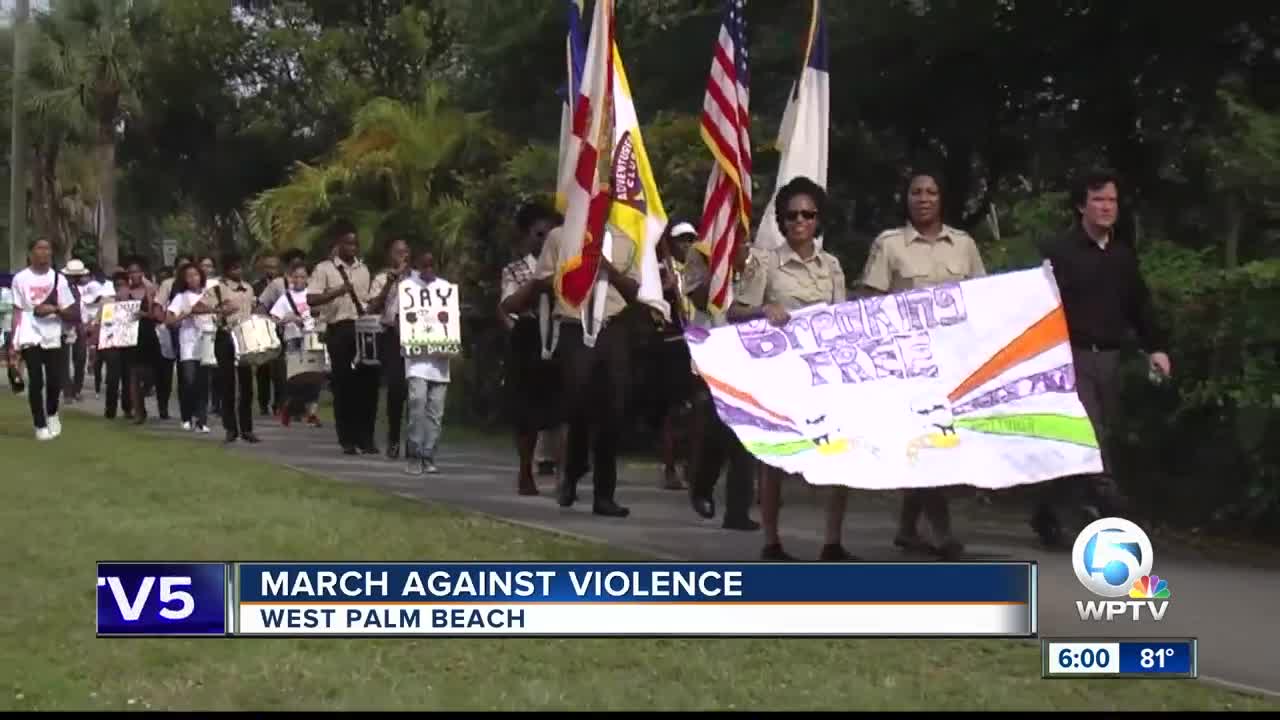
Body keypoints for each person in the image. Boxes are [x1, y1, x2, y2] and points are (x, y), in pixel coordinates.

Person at [1030, 168, 1172, 547]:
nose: (1107, 207)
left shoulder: (1124, 256)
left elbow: (1139, 306)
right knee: (1090, 440)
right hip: (1070, 358)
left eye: (1112, 200)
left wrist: (1155, 347)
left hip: (1110, 359)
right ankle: (1119, 521)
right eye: (1098, 200)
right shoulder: (1059, 252)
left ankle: (1047, 511)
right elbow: (1037, 306)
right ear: (1081, 206)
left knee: (1090, 440)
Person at [858, 169, 988, 560]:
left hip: (954, 362)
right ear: (907, 199)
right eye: (916, 192)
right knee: (931, 441)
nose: (924, 198)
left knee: (936, 442)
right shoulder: (890, 245)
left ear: (941, 199)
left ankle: (905, 527)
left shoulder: (963, 246)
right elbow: (869, 300)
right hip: (908, 364)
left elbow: (983, 297)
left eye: (931, 191)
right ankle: (942, 531)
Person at [735, 176, 857, 560]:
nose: (800, 221)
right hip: (782, 372)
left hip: (825, 372)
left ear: (818, 219)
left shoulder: (832, 265)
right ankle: (772, 541)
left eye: (807, 214)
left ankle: (832, 542)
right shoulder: (765, 263)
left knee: (839, 452)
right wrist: (762, 310)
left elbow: (843, 316)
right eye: (792, 215)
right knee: (775, 459)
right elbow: (734, 312)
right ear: (782, 221)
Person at [531, 208, 643, 518]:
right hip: (573, 324)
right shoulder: (560, 237)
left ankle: (604, 495)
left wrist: (608, 268)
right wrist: (575, 268)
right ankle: (572, 472)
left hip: (612, 328)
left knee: (613, 411)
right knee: (577, 404)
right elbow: (541, 281)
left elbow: (635, 291)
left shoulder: (625, 240)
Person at [680, 230, 761, 532]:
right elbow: (700, 298)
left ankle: (738, 511)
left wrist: (743, 264)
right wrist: (724, 265)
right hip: (712, 346)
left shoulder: (759, 254)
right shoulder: (700, 253)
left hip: (747, 350)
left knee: (745, 430)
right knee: (715, 428)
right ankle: (701, 486)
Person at [498, 202, 563, 495]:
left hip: (560, 336)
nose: (545, 240)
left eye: (550, 234)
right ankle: (526, 471)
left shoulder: (566, 266)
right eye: (539, 235)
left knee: (562, 411)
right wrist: (539, 283)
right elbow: (508, 305)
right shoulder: (515, 269)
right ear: (527, 236)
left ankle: (565, 475)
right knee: (526, 413)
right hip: (528, 337)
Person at [308, 218, 378, 455]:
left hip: (361, 329)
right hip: (338, 329)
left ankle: (365, 438)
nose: (352, 248)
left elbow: (367, 300)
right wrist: (338, 291)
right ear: (338, 244)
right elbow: (312, 299)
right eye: (348, 244)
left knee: (365, 385)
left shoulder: (363, 269)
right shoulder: (324, 269)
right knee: (344, 385)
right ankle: (346, 438)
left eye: (355, 244)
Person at [7, 237, 78, 439]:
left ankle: (53, 412)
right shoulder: (20, 279)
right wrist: (14, 342)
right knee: (36, 380)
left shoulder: (59, 279)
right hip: (30, 333)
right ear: (31, 253)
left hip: (53, 333)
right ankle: (40, 425)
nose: (44, 252)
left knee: (54, 379)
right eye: (40, 248)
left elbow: (69, 310)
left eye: (47, 248)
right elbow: (17, 311)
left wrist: (53, 308)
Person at [649, 221, 700, 491]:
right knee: (674, 411)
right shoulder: (662, 270)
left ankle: (694, 466)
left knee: (697, 409)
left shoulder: (700, 270)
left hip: (699, 342)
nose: (687, 245)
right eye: (682, 240)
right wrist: (665, 285)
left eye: (691, 239)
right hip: (673, 343)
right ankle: (669, 467)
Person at [399, 248, 454, 475]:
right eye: (424, 266)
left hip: (439, 364)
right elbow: (398, 318)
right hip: (416, 362)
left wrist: (451, 343)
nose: (429, 270)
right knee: (417, 405)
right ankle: (413, 454)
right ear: (417, 266)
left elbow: (451, 321)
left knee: (436, 412)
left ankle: (429, 454)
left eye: (432, 265)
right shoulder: (407, 288)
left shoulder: (445, 289)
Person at [204, 253, 260, 443]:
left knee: (246, 385)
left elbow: (252, 309)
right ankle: (230, 428)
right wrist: (221, 310)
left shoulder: (248, 288)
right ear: (227, 270)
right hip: (226, 334)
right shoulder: (217, 289)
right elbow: (210, 309)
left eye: (240, 267)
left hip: (245, 336)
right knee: (227, 383)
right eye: (234, 268)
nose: (238, 271)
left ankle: (247, 428)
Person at [367, 237, 413, 458]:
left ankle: (414, 441)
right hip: (391, 336)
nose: (401, 256)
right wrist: (390, 282)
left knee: (415, 390)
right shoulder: (380, 278)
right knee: (396, 389)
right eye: (397, 252)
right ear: (389, 255)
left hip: (415, 337)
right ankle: (394, 438)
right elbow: (373, 307)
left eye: (405, 252)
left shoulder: (417, 279)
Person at [269, 260, 323, 427]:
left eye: (303, 276)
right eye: (296, 276)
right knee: (296, 378)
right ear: (290, 278)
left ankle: (312, 412)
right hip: (294, 339)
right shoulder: (285, 298)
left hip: (313, 337)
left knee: (315, 377)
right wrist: (288, 318)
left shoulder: (313, 295)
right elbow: (274, 319)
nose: (299, 279)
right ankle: (290, 408)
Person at [165, 262, 213, 433]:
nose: (193, 279)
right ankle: (186, 416)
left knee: (203, 381)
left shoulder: (210, 295)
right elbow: (169, 320)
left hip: (206, 340)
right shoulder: (181, 298)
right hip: (188, 342)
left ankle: (202, 420)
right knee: (189, 380)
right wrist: (187, 314)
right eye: (189, 276)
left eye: (196, 275)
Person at [114, 256, 163, 424]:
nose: (134, 274)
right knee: (133, 374)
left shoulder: (151, 290)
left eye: (137, 271)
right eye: (131, 271)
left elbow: (157, 315)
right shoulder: (123, 292)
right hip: (130, 336)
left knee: (151, 373)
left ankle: (147, 395)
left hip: (147, 334)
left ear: (143, 273)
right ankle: (138, 411)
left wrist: (144, 314)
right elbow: (116, 315)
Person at [253, 253, 285, 417]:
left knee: (280, 370)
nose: (270, 270)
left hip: (280, 330)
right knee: (263, 369)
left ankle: (279, 403)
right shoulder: (256, 286)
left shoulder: (284, 285)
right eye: (267, 267)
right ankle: (263, 403)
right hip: (262, 330)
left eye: (273, 267)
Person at [60, 259, 96, 403]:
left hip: (80, 325)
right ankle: (68, 392)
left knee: (80, 359)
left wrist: (87, 323)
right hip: (64, 326)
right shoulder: (61, 288)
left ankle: (77, 389)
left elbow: (85, 308)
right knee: (64, 361)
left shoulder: (83, 289)